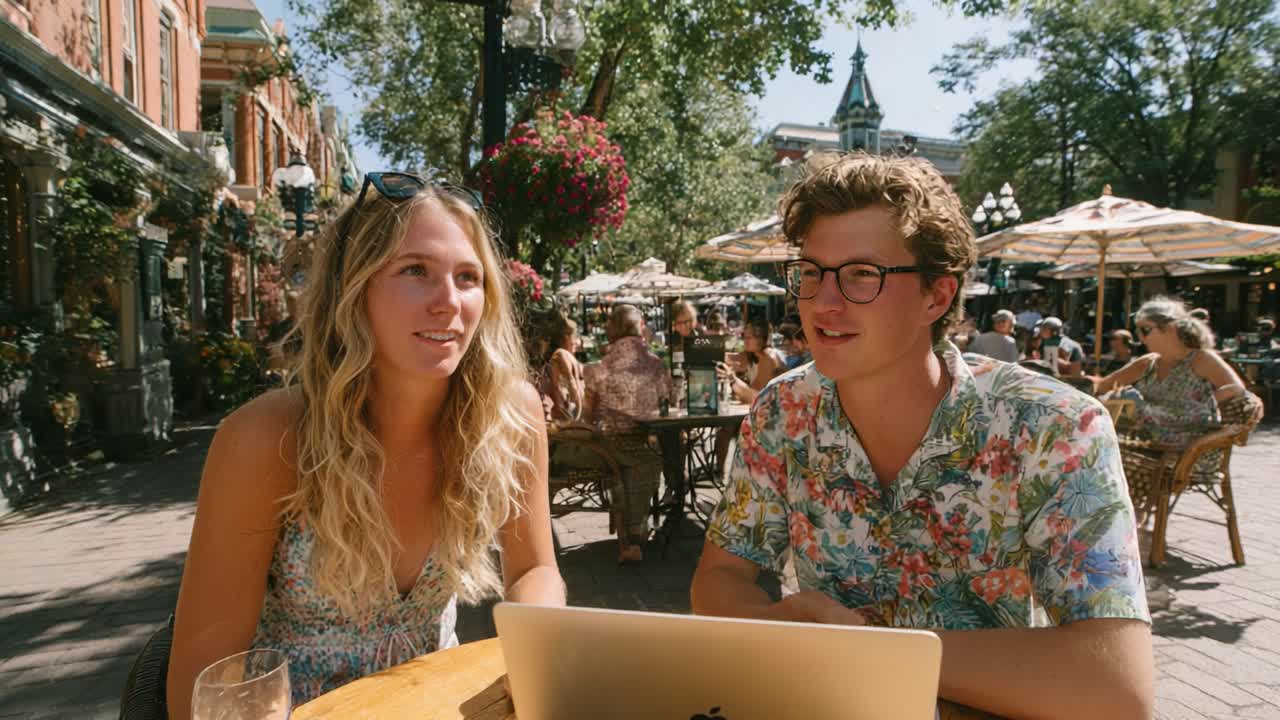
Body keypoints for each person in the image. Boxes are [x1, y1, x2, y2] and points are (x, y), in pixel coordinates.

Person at [690, 152, 1153, 719]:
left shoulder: (1053, 426)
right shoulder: (782, 411)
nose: (822, 303)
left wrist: (870, 653)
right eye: (812, 273)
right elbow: (718, 579)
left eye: (863, 274)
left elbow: (1114, 688)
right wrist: (777, 623)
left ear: (936, 296)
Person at [167, 174, 565, 717]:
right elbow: (205, 679)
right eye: (415, 271)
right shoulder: (265, 440)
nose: (448, 301)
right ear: (353, 289)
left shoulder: (510, 415)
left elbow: (533, 570)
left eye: (468, 277)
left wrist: (539, 656)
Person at [582, 304, 672, 562]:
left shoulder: (600, 367)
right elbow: (669, 400)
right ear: (639, 328)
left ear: (613, 330)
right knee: (653, 456)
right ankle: (638, 531)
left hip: (604, 447)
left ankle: (631, 537)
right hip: (646, 445)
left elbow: (588, 414)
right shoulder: (656, 365)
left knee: (627, 461)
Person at [1094, 297, 1246, 446]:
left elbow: (1237, 389)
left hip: (1189, 453)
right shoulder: (1148, 362)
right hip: (1151, 447)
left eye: (1145, 330)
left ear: (1170, 328)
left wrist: (1195, 407)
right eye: (1137, 330)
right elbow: (1103, 386)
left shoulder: (1201, 359)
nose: (1140, 338)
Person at [715, 317, 786, 405]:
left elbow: (756, 396)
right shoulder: (752, 354)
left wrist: (733, 380)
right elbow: (728, 357)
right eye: (744, 337)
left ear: (762, 338)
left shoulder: (768, 358)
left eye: (749, 337)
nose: (745, 341)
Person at [535, 308, 585, 422]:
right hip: (557, 425)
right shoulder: (561, 356)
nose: (577, 342)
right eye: (575, 337)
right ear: (566, 338)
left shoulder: (549, 361)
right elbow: (573, 401)